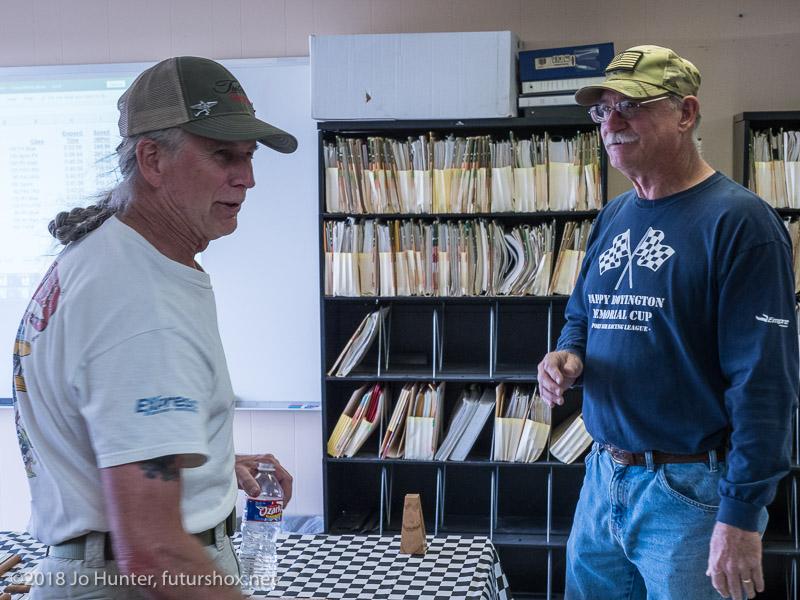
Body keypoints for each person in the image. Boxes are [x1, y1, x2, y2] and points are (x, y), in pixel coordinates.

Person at [12, 56, 297, 599]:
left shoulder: (107, 258)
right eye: (223, 154)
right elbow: (154, 550)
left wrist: (209, 463)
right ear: (152, 159)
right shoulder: (140, 299)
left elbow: (108, 438)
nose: (247, 177)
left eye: (249, 155)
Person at [537, 45, 798, 600]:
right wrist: (569, 354)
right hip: (602, 475)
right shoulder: (614, 215)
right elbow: (582, 313)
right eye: (602, 109)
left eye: (631, 106)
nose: (611, 123)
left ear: (686, 113)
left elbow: (765, 383)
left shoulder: (741, 223)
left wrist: (741, 515)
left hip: (691, 493)